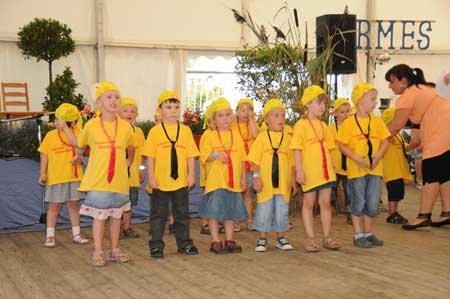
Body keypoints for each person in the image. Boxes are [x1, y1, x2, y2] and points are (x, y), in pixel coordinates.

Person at [60, 82, 136, 266]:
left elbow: (131, 146)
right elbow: (80, 144)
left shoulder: (126, 127)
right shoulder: (92, 125)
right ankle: (98, 251)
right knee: (99, 217)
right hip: (98, 179)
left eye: (116, 97)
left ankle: (115, 249)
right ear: (99, 102)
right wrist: (66, 129)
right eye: (108, 96)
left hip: (119, 181)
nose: (113, 100)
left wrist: (129, 162)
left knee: (116, 216)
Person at [385, 64, 450, 230]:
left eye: (392, 82)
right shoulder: (424, 88)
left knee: (431, 172)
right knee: (444, 174)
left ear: (404, 81)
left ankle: (424, 216)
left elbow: (396, 125)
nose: (390, 86)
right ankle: (448, 213)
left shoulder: (407, 97)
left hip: (441, 129)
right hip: (443, 127)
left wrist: (376, 139)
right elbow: (418, 123)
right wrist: (416, 141)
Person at [143, 90, 199, 258]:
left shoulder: (186, 131)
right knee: (158, 215)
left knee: (182, 214)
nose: (173, 111)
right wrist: (151, 177)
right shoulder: (155, 132)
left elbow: (190, 155)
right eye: (168, 107)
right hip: (160, 182)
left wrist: (191, 175)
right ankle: (156, 245)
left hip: (180, 181)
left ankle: (184, 243)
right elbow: (150, 157)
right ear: (160, 110)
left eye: (176, 107)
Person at [337, 83, 390, 248]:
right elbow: (341, 145)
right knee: (358, 202)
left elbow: (385, 140)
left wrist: (379, 156)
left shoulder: (377, 121)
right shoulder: (348, 123)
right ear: (359, 101)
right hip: (356, 171)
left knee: (372, 203)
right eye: (372, 99)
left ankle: (368, 233)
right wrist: (355, 158)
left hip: (375, 169)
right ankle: (358, 234)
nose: (375, 102)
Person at [290, 85, 340, 252]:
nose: (322, 107)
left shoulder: (325, 126)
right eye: (319, 103)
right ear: (308, 104)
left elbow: (330, 149)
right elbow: (297, 148)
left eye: (324, 104)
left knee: (325, 203)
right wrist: (299, 170)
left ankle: (327, 237)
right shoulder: (300, 125)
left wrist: (333, 166)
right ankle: (310, 238)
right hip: (310, 172)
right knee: (309, 203)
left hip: (325, 172)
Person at [199, 97, 248, 254]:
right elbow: (204, 156)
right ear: (213, 119)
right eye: (220, 115)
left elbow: (242, 159)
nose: (225, 118)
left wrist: (243, 178)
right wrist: (215, 154)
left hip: (232, 182)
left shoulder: (236, 135)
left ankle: (229, 239)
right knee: (214, 213)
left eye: (227, 114)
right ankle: (215, 241)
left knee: (230, 212)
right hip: (216, 181)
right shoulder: (209, 135)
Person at [248, 99, 296, 252]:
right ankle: (262, 238)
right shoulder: (262, 138)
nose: (280, 119)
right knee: (264, 209)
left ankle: (281, 237)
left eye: (282, 115)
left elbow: (292, 162)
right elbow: (255, 160)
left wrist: (293, 181)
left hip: (283, 183)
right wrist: (256, 177)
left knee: (282, 210)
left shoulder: (288, 139)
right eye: (276, 115)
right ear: (266, 120)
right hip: (266, 184)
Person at [38, 103, 88, 248]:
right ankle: (50, 236)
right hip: (56, 177)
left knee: (73, 205)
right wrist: (42, 173)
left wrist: (66, 129)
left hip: (74, 177)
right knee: (54, 206)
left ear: (71, 122)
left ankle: (76, 234)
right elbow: (44, 155)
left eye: (61, 119)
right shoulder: (50, 135)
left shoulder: (77, 133)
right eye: (57, 119)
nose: (57, 121)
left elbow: (79, 145)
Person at [118, 97, 146, 239]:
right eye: (126, 111)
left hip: (133, 175)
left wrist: (141, 169)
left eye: (133, 111)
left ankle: (127, 227)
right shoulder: (115, 130)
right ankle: (115, 229)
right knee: (117, 202)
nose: (129, 113)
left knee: (129, 203)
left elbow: (141, 153)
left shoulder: (139, 132)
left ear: (136, 114)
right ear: (118, 113)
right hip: (118, 175)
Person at [381, 108, 413, 224]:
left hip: (399, 170)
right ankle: (392, 213)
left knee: (398, 192)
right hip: (391, 170)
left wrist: (416, 145)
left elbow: (405, 146)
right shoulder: (385, 135)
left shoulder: (398, 135)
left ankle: (394, 211)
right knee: (393, 192)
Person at [232, 98, 259, 231]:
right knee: (236, 193)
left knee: (248, 193)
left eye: (249, 110)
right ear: (237, 112)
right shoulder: (232, 125)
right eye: (242, 110)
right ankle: (236, 220)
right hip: (237, 163)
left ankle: (249, 219)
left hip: (250, 163)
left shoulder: (253, 124)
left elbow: (255, 135)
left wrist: (252, 120)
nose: (245, 113)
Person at [329, 98, 352, 224]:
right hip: (334, 165)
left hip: (348, 167)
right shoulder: (330, 129)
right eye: (342, 112)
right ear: (335, 113)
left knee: (349, 191)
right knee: (332, 190)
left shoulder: (352, 128)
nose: (345, 115)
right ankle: (329, 211)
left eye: (348, 111)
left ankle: (350, 214)